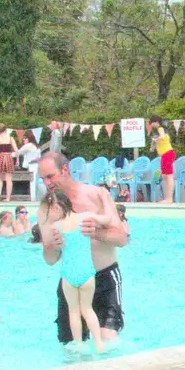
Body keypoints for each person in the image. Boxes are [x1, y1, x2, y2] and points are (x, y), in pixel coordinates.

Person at [37, 150, 130, 345]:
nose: (47, 183)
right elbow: (50, 260)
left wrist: (96, 232)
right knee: (70, 347)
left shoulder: (96, 195)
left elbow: (122, 239)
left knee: (108, 341)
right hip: (71, 280)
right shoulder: (47, 208)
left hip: (104, 278)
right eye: (42, 179)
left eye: (50, 176)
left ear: (65, 169)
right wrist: (54, 243)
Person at [41, 186, 110, 353]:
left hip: (68, 274)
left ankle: (78, 344)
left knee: (74, 311)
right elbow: (107, 219)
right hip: (87, 272)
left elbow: (49, 247)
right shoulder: (85, 217)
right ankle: (99, 343)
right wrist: (105, 199)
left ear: (56, 208)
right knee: (87, 309)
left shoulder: (55, 227)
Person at [152, 118, 176, 204]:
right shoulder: (159, 132)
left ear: (156, 122)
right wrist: (154, 144)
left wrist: (155, 139)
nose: (151, 125)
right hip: (165, 155)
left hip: (167, 154)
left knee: (169, 176)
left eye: (152, 123)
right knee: (165, 176)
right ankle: (167, 198)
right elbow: (153, 148)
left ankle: (169, 198)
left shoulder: (160, 128)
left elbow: (161, 137)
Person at [0, 126, 17, 203]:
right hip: (9, 157)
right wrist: (17, 160)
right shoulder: (10, 138)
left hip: (0, 157)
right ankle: (8, 198)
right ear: (6, 130)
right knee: (8, 179)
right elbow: (16, 150)